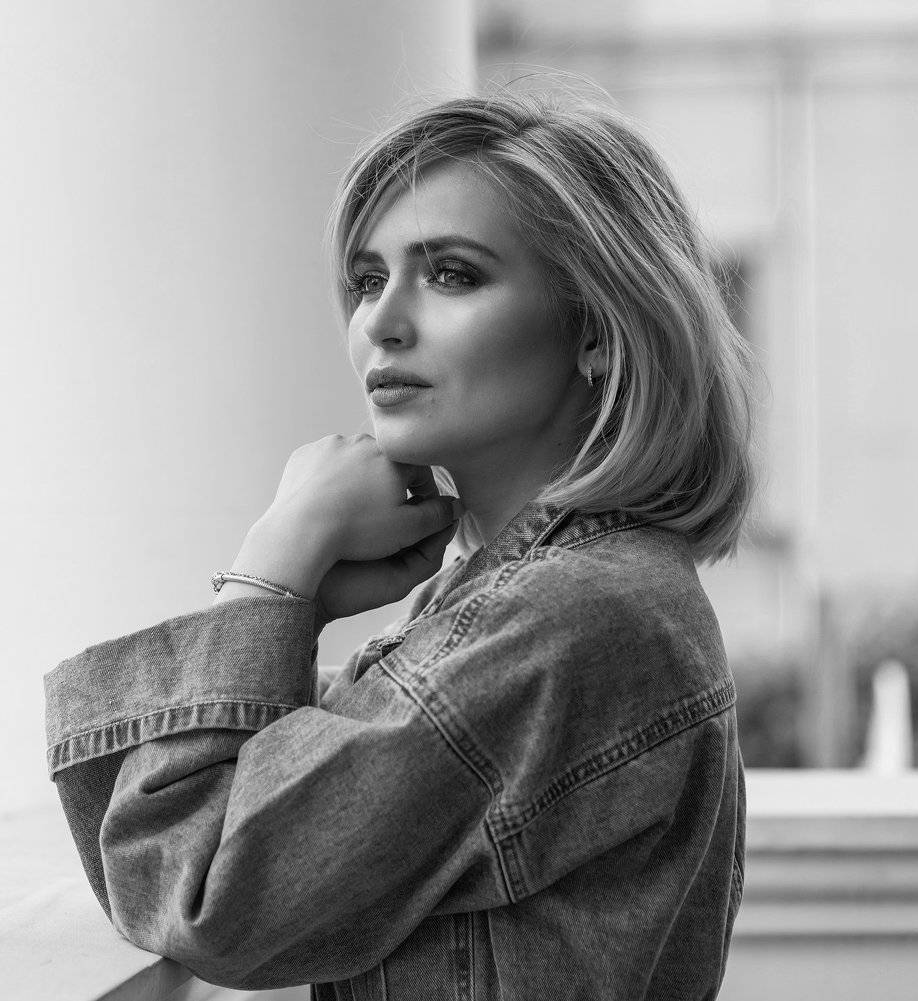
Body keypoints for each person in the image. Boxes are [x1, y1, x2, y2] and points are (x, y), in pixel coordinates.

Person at [43, 93, 754, 1000]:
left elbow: (195, 886)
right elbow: (209, 809)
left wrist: (276, 560)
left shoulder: (567, 619)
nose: (382, 320)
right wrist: (299, 608)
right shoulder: (537, 594)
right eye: (368, 279)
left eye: (452, 274)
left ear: (598, 331)